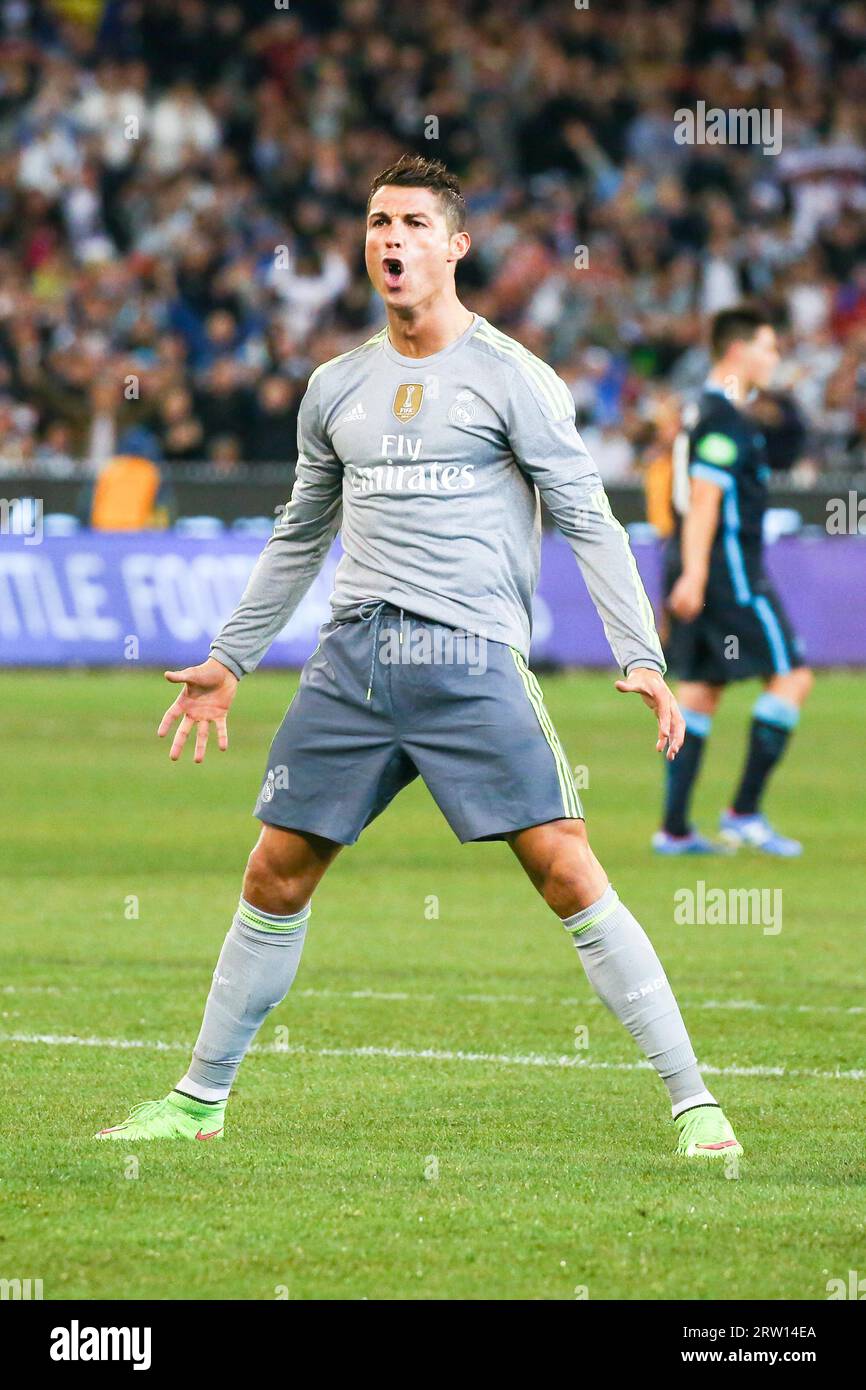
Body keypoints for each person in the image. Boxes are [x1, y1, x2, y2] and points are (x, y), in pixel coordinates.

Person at [96, 155, 741, 1159]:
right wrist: (230, 656)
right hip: (349, 663)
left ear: (454, 245)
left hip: (468, 659)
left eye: (408, 224)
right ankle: (196, 1101)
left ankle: (693, 1100)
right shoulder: (334, 387)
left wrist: (640, 653)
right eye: (374, 223)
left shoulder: (512, 377)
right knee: (274, 872)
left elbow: (586, 515)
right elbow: (300, 534)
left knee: (566, 868)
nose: (387, 239)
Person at [654, 306, 813, 856]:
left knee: (700, 691)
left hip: (693, 562)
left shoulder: (700, 409)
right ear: (738, 350)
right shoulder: (725, 417)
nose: (775, 359)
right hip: (727, 571)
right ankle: (744, 812)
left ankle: (673, 829)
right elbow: (705, 500)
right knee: (792, 676)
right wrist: (698, 574)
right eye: (769, 347)